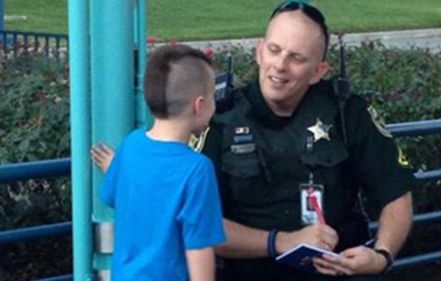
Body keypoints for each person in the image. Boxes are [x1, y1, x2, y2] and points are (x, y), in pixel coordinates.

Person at [92, 1, 414, 280]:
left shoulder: (347, 113)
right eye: (274, 50)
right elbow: (198, 222)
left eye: (296, 58)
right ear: (259, 51)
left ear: (318, 71)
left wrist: (382, 255)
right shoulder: (221, 116)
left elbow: (396, 194)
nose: (280, 65)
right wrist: (280, 241)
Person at [96, 44, 226, 281]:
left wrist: (116, 168)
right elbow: (198, 249)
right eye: (212, 98)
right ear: (199, 105)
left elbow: (114, 195)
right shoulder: (197, 169)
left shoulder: (131, 146)